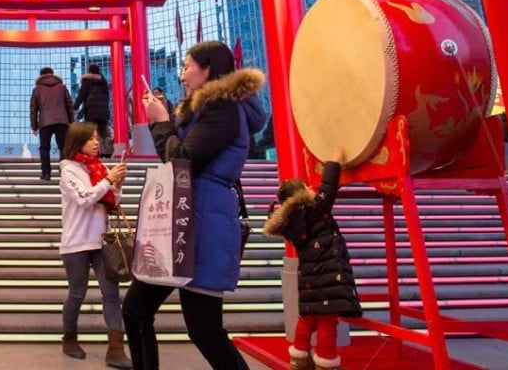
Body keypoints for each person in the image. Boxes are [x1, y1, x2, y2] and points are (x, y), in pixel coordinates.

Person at [122, 40, 266, 370]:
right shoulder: (207, 110)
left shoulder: (224, 107)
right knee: (136, 311)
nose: (182, 75)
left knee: (205, 330)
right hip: (182, 221)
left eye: (187, 66)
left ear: (208, 69)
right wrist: (167, 116)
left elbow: (182, 160)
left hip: (202, 224)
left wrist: (159, 122)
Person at [263, 145, 362, 370]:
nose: (311, 188)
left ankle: (299, 358)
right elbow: (328, 188)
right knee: (328, 321)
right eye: (306, 186)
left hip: (308, 278)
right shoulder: (314, 209)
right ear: (300, 194)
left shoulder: (291, 223)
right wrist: (334, 161)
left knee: (307, 318)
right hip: (329, 275)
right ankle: (326, 362)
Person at [58, 121, 132, 368]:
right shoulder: (68, 169)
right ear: (77, 141)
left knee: (111, 293)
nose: (96, 141)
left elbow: (109, 202)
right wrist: (108, 180)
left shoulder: (99, 167)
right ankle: (69, 338)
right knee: (77, 293)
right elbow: (84, 199)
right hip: (76, 242)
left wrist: (116, 185)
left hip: (102, 240)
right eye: (91, 138)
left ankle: (116, 348)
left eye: (97, 137)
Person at [30, 66, 75, 181]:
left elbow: (33, 109)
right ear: (52, 74)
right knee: (63, 147)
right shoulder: (62, 87)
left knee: (44, 148)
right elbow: (69, 105)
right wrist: (71, 121)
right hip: (62, 121)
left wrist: (34, 126)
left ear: (40, 76)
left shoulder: (37, 89)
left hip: (45, 122)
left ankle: (46, 174)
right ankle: (65, 173)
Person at [75, 63, 112, 157]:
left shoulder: (87, 81)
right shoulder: (104, 82)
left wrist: (75, 108)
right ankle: (106, 152)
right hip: (103, 113)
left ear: (89, 71)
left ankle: (95, 154)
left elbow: (81, 96)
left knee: (92, 133)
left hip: (91, 113)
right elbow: (107, 98)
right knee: (103, 133)